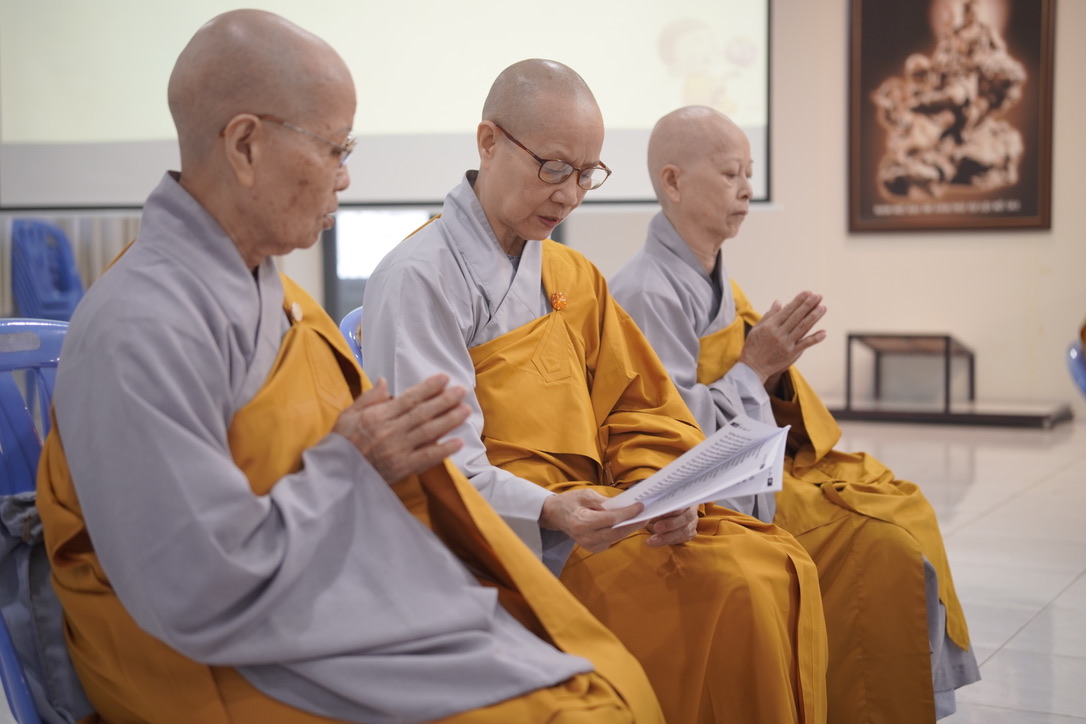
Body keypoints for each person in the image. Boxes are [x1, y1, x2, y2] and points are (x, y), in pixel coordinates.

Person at [34, 11, 666, 724]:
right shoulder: (140, 325)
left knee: (599, 684)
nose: (345, 176)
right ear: (245, 145)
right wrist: (352, 461)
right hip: (217, 647)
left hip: (319, 583)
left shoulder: (279, 298)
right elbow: (195, 589)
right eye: (334, 148)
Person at [362, 59, 829, 724]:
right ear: (489, 142)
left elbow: (640, 409)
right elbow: (439, 469)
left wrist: (663, 493)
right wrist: (552, 509)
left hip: (603, 512)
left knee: (773, 564)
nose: (571, 194)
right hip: (508, 540)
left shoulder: (573, 275)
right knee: (736, 590)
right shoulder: (419, 278)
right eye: (555, 168)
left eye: (587, 174)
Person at [610, 105, 981, 723]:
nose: (747, 189)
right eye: (731, 173)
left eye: (749, 173)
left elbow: (746, 383)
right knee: (884, 540)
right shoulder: (646, 291)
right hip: (715, 495)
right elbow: (662, 430)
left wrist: (773, 368)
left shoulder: (713, 277)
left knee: (901, 503)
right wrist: (755, 366)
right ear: (673, 182)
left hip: (752, 464)